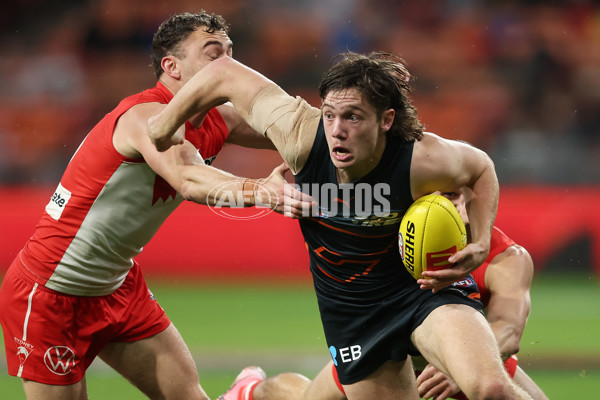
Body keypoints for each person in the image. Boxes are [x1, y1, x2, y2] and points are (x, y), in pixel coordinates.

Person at [148, 51, 533, 399]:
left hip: (422, 292)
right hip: (353, 314)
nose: (336, 129)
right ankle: (252, 392)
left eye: (353, 117)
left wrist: (481, 240)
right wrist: (164, 125)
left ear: (386, 120)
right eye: (329, 114)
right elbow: (224, 71)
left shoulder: (420, 159)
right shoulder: (301, 137)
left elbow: (481, 167)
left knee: (492, 388)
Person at [0, 11, 311, 400]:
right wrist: (260, 190)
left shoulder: (219, 121)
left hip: (118, 286)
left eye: (232, 54)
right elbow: (189, 178)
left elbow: (304, 139)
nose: (229, 66)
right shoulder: (143, 116)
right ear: (172, 66)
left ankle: (243, 394)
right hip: (49, 292)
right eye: (214, 54)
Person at [219, 189, 548, 400]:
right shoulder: (393, 235)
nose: (455, 206)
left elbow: (507, 330)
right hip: (387, 350)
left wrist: (458, 365)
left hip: (466, 361)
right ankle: (248, 391)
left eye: (460, 195)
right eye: (443, 195)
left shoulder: (505, 257)